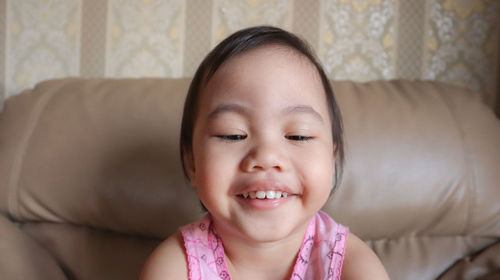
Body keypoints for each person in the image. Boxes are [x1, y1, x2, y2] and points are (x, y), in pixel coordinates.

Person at [140, 26, 389, 280]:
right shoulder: (175, 266)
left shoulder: (352, 265)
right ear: (191, 161)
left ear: (331, 158)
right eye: (233, 134)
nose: (266, 157)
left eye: (298, 136)